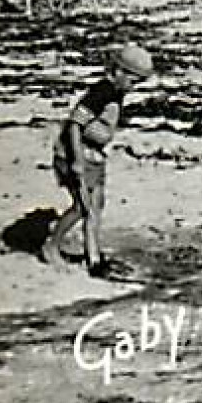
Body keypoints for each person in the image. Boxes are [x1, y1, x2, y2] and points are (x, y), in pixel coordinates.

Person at [41, 44, 155, 277]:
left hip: (95, 154)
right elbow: (75, 124)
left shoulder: (117, 93)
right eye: (133, 81)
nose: (134, 88)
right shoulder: (101, 92)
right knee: (81, 207)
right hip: (76, 153)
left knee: (96, 207)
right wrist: (76, 161)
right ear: (119, 72)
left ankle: (93, 257)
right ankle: (51, 246)